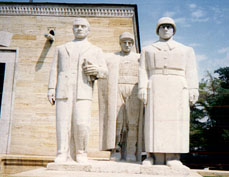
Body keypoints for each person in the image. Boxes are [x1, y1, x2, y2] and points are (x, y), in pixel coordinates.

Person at [138, 17, 199, 167]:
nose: (165, 29)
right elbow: (143, 70)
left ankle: (173, 156)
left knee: (175, 122)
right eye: (162, 26)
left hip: (177, 87)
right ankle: (152, 155)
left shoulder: (186, 50)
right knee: (153, 121)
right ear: (157, 30)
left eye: (169, 26)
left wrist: (193, 89)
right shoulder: (148, 50)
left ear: (174, 30)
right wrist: (142, 88)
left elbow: (191, 71)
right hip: (156, 84)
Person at [48, 18, 107, 164]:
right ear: (72, 29)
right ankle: (62, 152)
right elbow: (54, 69)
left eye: (83, 26)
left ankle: (81, 152)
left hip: (83, 90)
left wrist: (97, 70)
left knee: (82, 123)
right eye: (76, 26)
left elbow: (105, 71)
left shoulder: (95, 50)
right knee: (62, 123)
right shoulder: (61, 49)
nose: (79, 28)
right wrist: (51, 88)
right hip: (63, 89)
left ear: (88, 30)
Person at [98, 32, 141, 162]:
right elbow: (97, 62)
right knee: (117, 121)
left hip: (134, 88)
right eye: (124, 42)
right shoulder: (111, 57)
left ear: (133, 44)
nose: (127, 45)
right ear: (120, 43)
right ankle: (115, 149)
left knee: (133, 123)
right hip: (117, 87)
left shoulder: (140, 57)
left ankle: (131, 151)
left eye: (130, 43)